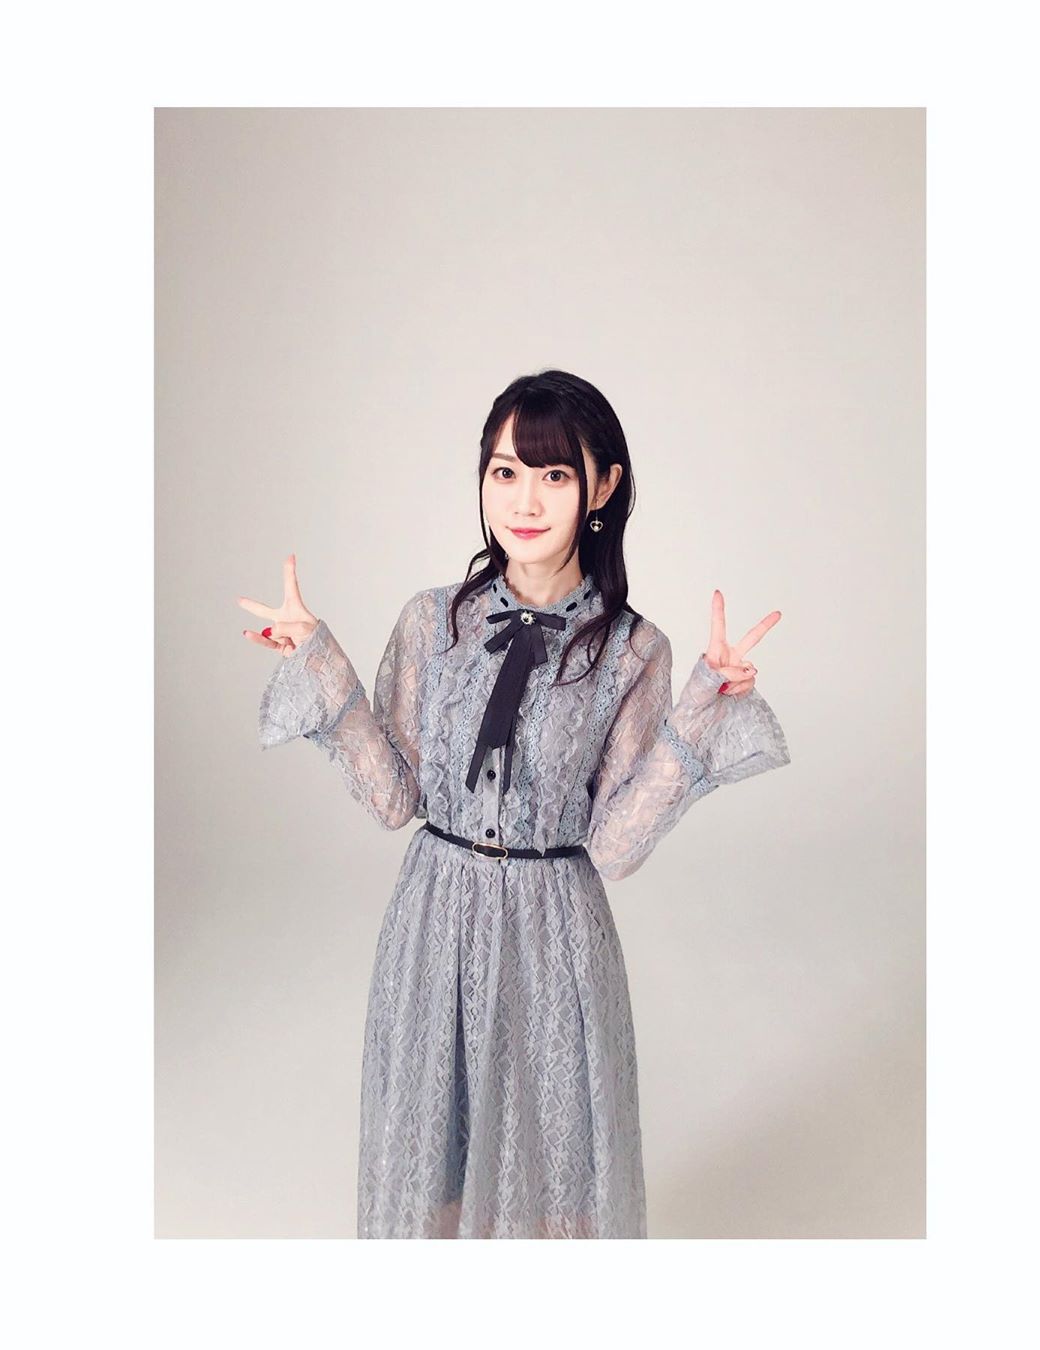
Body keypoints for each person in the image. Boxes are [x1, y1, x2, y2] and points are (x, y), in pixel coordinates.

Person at [238, 369, 791, 1239]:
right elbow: (393, 797)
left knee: (555, 1175)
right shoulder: (431, 623)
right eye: (505, 472)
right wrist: (320, 662)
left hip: (553, 937)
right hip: (436, 921)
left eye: (554, 474)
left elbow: (615, 845)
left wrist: (701, 712)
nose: (524, 500)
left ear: (602, 487)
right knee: (435, 1162)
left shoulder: (633, 650)